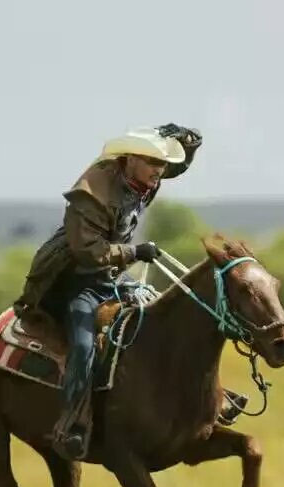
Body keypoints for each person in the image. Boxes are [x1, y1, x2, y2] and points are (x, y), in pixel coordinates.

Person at [15, 125, 245, 460]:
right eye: (152, 162)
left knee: (171, 321)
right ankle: (73, 423)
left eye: (161, 164)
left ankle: (208, 399)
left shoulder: (142, 178)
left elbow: (174, 166)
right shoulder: (90, 193)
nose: (159, 171)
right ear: (129, 159)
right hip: (75, 281)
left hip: (112, 278)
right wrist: (133, 254)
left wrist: (189, 143)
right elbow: (87, 252)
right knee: (82, 345)